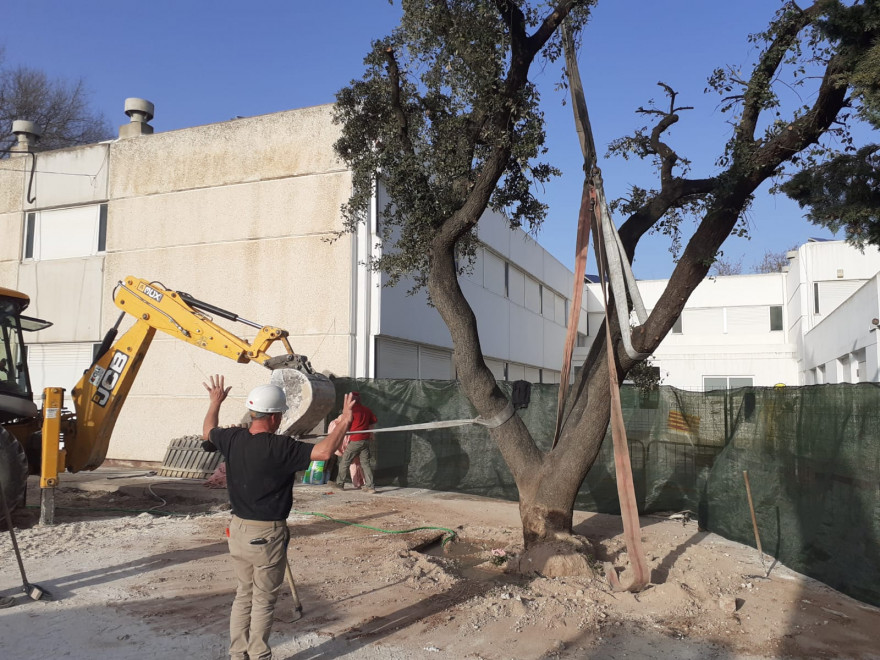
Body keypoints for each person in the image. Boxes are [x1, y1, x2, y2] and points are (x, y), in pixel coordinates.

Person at [202, 374, 355, 660]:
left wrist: (215, 403)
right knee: (262, 600)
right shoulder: (281, 447)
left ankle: (238, 654)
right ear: (274, 417)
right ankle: (259, 655)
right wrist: (344, 421)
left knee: (243, 594)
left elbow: (208, 431)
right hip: (267, 535)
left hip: (237, 530)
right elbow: (323, 453)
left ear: (253, 412)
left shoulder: (233, 438)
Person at [332, 391, 377, 493]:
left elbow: (344, 423)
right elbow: (373, 422)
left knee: (345, 461)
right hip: (365, 440)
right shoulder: (367, 410)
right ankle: (370, 486)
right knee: (365, 464)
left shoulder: (351, 411)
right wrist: (372, 435)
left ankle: (339, 484)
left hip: (355, 440)